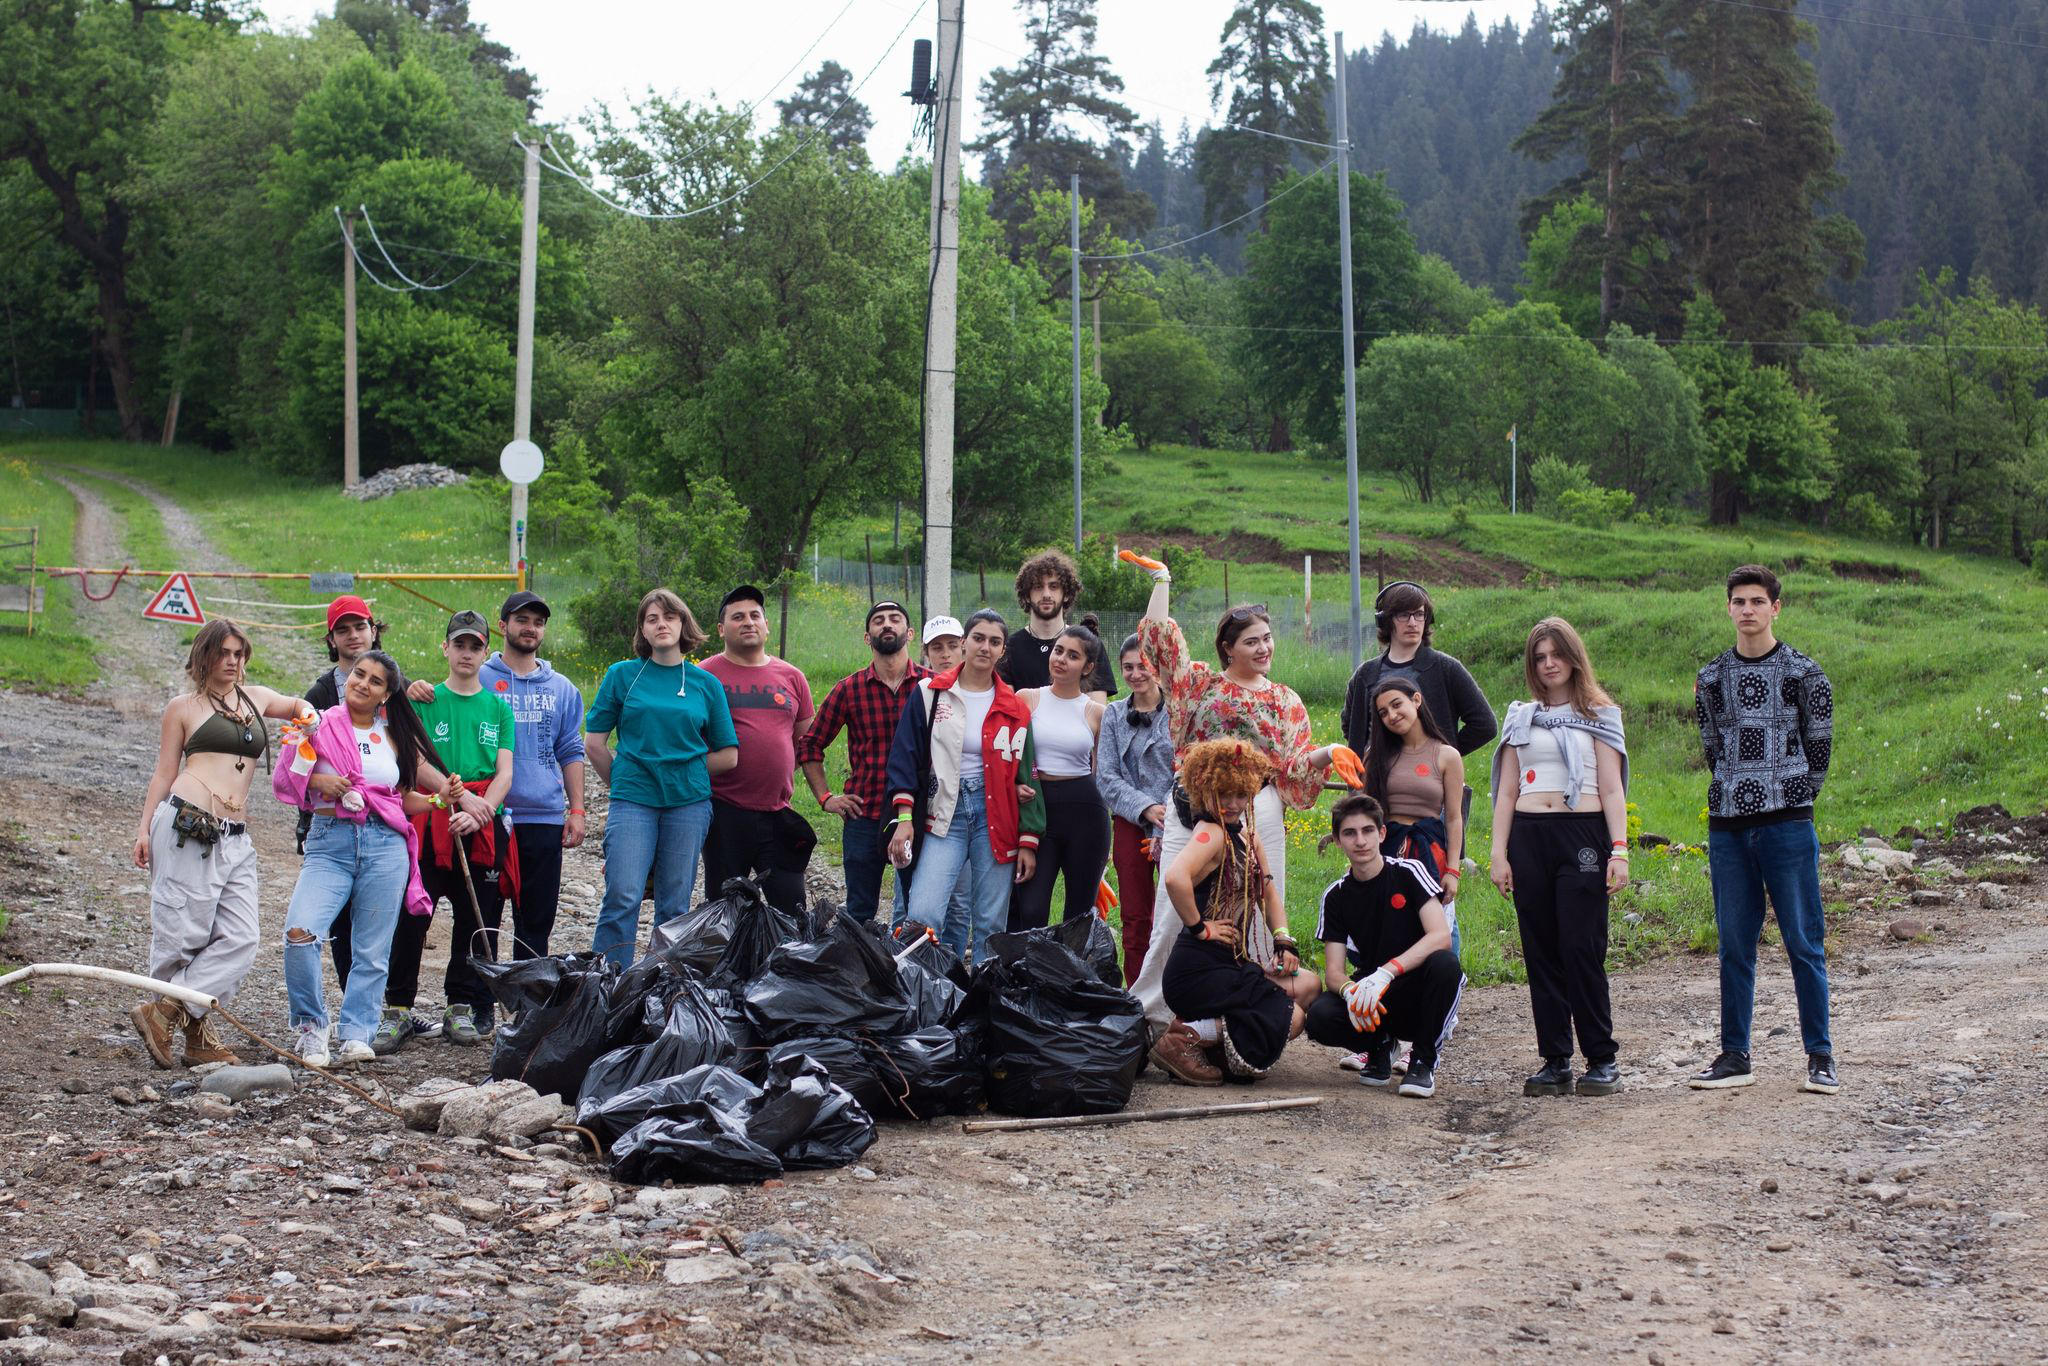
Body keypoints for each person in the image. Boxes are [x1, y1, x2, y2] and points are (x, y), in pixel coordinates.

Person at [1116, 549, 1349, 1037]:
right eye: (1251, 641)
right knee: (1173, 910)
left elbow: (1291, 765)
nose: (1264, 648)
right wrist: (1162, 582)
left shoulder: (1285, 699)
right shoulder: (1197, 683)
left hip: (1259, 808)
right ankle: (1151, 1017)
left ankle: (1234, 1016)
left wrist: (1327, 753)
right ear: (1228, 648)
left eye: (1267, 638)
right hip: (1195, 808)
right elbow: (1160, 639)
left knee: (1258, 902)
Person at [129, 620, 318, 1070]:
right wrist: (141, 829)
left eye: (239, 653)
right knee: (183, 930)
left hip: (235, 836)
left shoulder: (257, 699)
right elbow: (163, 771)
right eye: (224, 653)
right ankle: (196, 1035)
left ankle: (168, 1010)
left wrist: (307, 723)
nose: (233, 661)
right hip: (186, 825)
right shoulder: (183, 707)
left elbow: (300, 706)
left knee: (240, 936)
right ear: (205, 656)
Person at [1689, 565, 1838, 1095]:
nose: (1747, 609)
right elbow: (1713, 747)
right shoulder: (1710, 678)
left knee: (1804, 941)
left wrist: (1787, 794)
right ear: (1727, 608)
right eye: (1738, 601)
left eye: (1757, 601)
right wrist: (1740, 791)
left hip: (1788, 824)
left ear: (1777, 607)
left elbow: (1818, 750)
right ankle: (1735, 1054)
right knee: (1733, 943)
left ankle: (1820, 1057)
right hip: (1729, 827)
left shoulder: (1805, 674)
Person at [274, 650, 447, 1066]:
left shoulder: (393, 736)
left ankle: (357, 1032)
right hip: (330, 840)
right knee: (300, 933)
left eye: (374, 681)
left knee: (372, 949)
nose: (362, 683)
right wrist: (321, 779)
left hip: (385, 844)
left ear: (386, 695)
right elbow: (286, 776)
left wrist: (440, 798)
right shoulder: (317, 724)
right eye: (358, 674)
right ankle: (312, 1027)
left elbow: (398, 798)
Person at [1489, 617, 1630, 1099]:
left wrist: (1620, 851)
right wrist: (1497, 853)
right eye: (1540, 657)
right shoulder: (1520, 717)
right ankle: (1555, 1060)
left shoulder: (1599, 714)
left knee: (1581, 946)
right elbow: (1505, 792)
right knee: (1541, 950)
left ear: (1573, 657)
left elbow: (1611, 788)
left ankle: (1601, 1057)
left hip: (1582, 834)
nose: (1549, 664)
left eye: (1556, 655)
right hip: (1529, 836)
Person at [381, 611, 517, 1052]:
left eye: (475, 646)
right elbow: (414, 761)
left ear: (485, 652)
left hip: (481, 818)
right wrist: (456, 799)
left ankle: (462, 1003)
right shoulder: (424, 699)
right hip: (434, 811)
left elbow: (505, 771)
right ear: (445, 648)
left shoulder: (498, 705)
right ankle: (397, 1005)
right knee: (413, 912)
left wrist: (482, 811)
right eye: (459, 644)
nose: (466, 653)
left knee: (477, 915)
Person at [1149, 740, 1319, 1086]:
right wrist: (1200, 928)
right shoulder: (1210, 833)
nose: (1232, 804)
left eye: (1241, 795)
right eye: (1223, 794)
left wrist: (1283, 939)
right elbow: (1174, 878)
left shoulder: (1247, 835)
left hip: (1231, 964)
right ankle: (1182, 1039)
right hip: (1197, 971)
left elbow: (1268, 892)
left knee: (1308, 985)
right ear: (1204, 790)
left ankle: (1216, 1049)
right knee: (1293, 1019)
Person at [585, 589, 738, 967]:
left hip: (688, 803)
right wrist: (623, 780)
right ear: (643, 630)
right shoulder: (622, 675)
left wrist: (683, 770)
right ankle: (607, 981)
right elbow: (595, 744)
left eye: (669, 617)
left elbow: (728, 755)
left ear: (683, 623)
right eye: (652, 619)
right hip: (633, 800)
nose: (661, 624)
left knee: (674, 902)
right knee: (623, 893)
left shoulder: (705, 683)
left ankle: (659, 984)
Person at [886, 610, 1046, 965]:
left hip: (997, 818)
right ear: (964, 643)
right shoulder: (931, 694)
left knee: (990, 924)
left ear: (1002, 650)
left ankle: (980, 1007)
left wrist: (1028, 840)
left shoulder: (1015, 706)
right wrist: (904, 817)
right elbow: (904, 757)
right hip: (946, 813)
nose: (984, 647)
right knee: (924, 915)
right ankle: (921, 996)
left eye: (994, 641)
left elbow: (1027, 773)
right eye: (978, 638)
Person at [1303, 794, 1464, 1099]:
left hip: (1415, 986)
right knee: (1321, 1016)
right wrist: (1353, 992)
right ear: (1338, 841)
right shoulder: (1335, 896)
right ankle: (1379, 1047)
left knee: (1445, 964)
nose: (1360, 841)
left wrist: (1387, 972)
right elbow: (1334, 973)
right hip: (1374, 994)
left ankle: (1423, 1060)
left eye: (1367, 831)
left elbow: (1440, 936)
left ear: (1382, 834)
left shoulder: (1409, 872)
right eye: (1349, 833)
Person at [796, 601, 930, 923]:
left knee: (920, 911)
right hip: (864, 812)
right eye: (878, 621)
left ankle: (909, 972)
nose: (887, 625)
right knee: (859, 911)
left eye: (895, 620)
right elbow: (810, 745)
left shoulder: (931, 686)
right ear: (867, 638)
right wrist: (826, 798)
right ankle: (861, 970)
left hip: (917, 814)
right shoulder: (849, 689)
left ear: (909, 633)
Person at [700, 585, 817, 917]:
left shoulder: (792, 677)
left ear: (766, 626)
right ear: (722, 629)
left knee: (791, 911)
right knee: (724, 912)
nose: (748, 622)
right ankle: (729, 969)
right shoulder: (703, 675)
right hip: (723, 813)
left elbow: (805, 740)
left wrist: (773, 771)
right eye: (738, 617)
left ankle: (788, 968)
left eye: (755, 616)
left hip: (778, 812)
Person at [299, 594, 384, 995]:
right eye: (343, 630)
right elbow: (296, 763)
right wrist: (318, 786)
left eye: (360, 626)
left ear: (373, 630)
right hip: (333, 823)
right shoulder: (318, 696)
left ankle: (388, 1008)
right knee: (342, 919)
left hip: (385, 822)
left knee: (382, 916)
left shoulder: (394, 684)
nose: (353, 636)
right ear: (331, 639)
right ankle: (353, 1001)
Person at [1008, 623, 1112, 934]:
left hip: (1086, 813)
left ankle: (1070, 979)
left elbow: (1103, 772)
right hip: (1038, 810)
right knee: (1031, 907)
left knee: (1078, 915)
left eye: (1073, 655)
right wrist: (1012, 785)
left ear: (1088, 667)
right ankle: (1025, 977)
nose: (1061, 659)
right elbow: (1009, 755)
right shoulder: (1027, 699)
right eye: (1058, 650)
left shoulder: (1096, 712)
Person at [1095, 633, 1175, 986]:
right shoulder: (1113, 714)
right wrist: (1145, 808)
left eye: (1142, 665)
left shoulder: (1178, 711)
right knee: (1135, 914)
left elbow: (1187, 766)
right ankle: (1138, 992)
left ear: (1156, 666)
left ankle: (1175, 994)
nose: (1135, 674)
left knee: (1172, 911)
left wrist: (1166, 813)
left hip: (1177, 822)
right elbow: (1107, 777)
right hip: (1130, 821)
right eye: (1127, 667)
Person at [1340, 581, 1496, 758]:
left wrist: (1442, 757)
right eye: (1404, 615)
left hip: (1430, 782)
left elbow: (1485, 725)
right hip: (1374, 781)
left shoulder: (1446, 668)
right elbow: (1351, 727)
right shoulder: (1365, 674)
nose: (1413, 622)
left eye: (1419, 614)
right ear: (1385, 620)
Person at [917, 615, 973, 936]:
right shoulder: (923, 691)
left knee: (961, 899)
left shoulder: (979, 690)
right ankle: (910, 968)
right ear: (926, 653)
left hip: (965, 809)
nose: (946, 654)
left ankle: (951, 971)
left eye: (953, 645)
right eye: (937, 648)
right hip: (928, 804)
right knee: (915, 896)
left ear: (963, 647)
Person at [999, 549, 1115, 701]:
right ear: (1027, 595)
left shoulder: (1089, 644)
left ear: (1066, 594)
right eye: (1038, 587)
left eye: (1053, 587)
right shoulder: (1009, 648)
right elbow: (1008, 708)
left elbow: (1096, 713)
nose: (1046, 594)